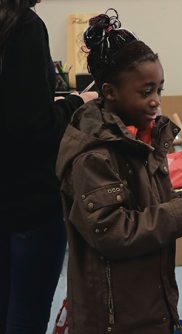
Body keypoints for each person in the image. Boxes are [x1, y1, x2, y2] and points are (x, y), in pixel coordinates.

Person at [55, 9, 182, 333]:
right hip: (115, 319)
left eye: (159, 89)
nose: (156, 101)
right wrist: (181, 213)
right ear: (109, 93)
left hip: (149, 304)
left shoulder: (143, 139)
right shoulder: (93, 157)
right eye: (146, 92)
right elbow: (113, 231)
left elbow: (148, 205)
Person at [0, 0, 97, 333]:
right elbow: (34, 130)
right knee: (25, 319)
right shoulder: (22, 26)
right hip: (29, 204)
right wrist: (75, 104)